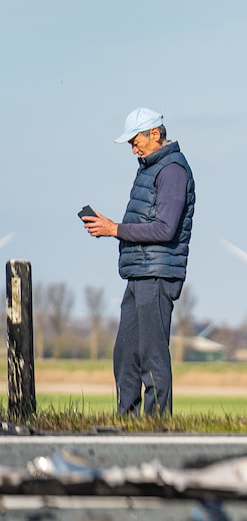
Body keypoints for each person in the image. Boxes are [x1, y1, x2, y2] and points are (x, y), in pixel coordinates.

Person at [82, 107, 196, 416]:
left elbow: (165, 228)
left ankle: (156, 426)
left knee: (152, 355)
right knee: (126, 354)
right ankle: (128, 423)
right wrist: (111, 228)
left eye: (136, 141)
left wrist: (114, 229)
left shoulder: (172, 170)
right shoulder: (149, 168)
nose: (133, 148)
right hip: (139, 272)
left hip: (157, 274)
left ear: (155, 134)